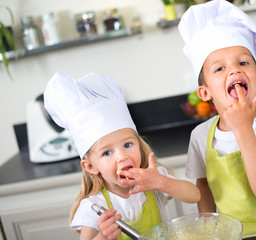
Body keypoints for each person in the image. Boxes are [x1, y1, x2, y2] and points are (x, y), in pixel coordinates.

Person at [178, 0, 256, 235]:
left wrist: (242, 128)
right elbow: (204, 188)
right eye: (219, 69)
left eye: (243, 62)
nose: (234, 70)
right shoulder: (200, 136)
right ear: (205, 93)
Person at [44, 72, 200, 240]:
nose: (122, 156)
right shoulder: (94, 205)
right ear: (90, 166)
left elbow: (194, 195)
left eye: (127, 145)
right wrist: (103, 236)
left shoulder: (153, 179)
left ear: (138, 145)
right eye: (107, 153)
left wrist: (162, 182)